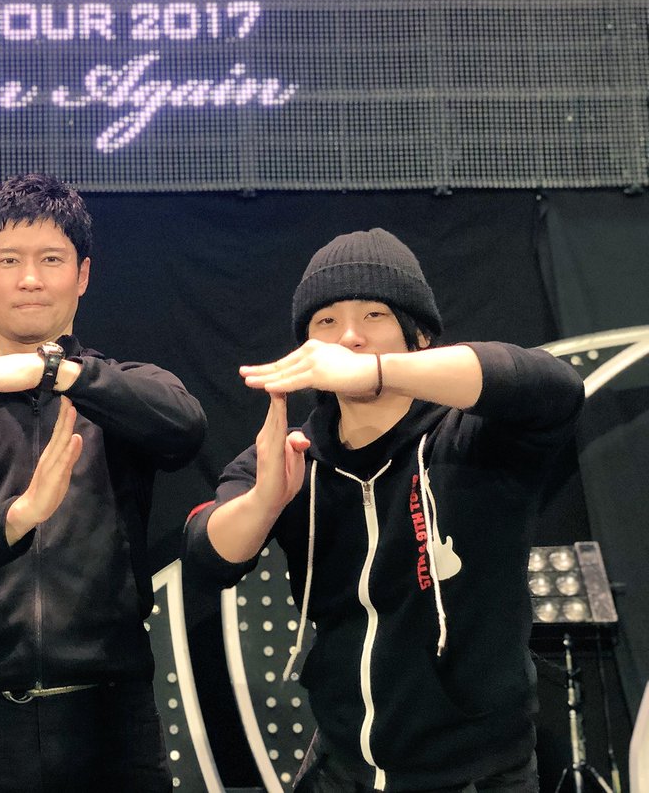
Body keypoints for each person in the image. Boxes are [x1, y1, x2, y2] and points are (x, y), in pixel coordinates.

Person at [182, 228, 584, 793]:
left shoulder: (473, 436)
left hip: (479, 774)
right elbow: (207, 556)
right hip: (341, 767)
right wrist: (264, 502)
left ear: (418, 335)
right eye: (326, 321)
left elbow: (555, 387)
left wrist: (377, 372)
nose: (349, 337)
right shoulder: (295, 453)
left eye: (373, 315)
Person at [0, 173, 207, 792]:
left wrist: (57, 371)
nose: (30, 279)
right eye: (9, 261)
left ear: (82, 275)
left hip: (113, 720)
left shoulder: (120, 390)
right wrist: (19, 516)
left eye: (51, 260)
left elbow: (185, 428)